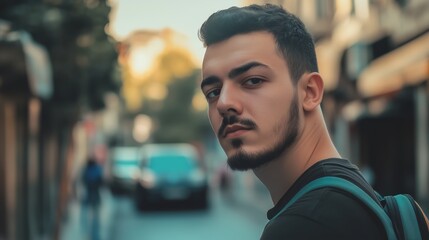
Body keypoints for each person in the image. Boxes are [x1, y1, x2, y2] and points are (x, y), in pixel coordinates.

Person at [198, 4, 429, 239]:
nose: (224, 103)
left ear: (309, 92)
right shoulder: (349, 198)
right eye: (213, 92)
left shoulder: (305, 225)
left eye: (253, 81)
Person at [81, 156, 103, 240]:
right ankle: (95, 235)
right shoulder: (97, 169)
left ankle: (89, 234)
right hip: (95, 196)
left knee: (87, 217)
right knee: (95, 218)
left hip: (88, 195)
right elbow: (101, 182)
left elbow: (83, 180)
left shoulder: (86, 170)